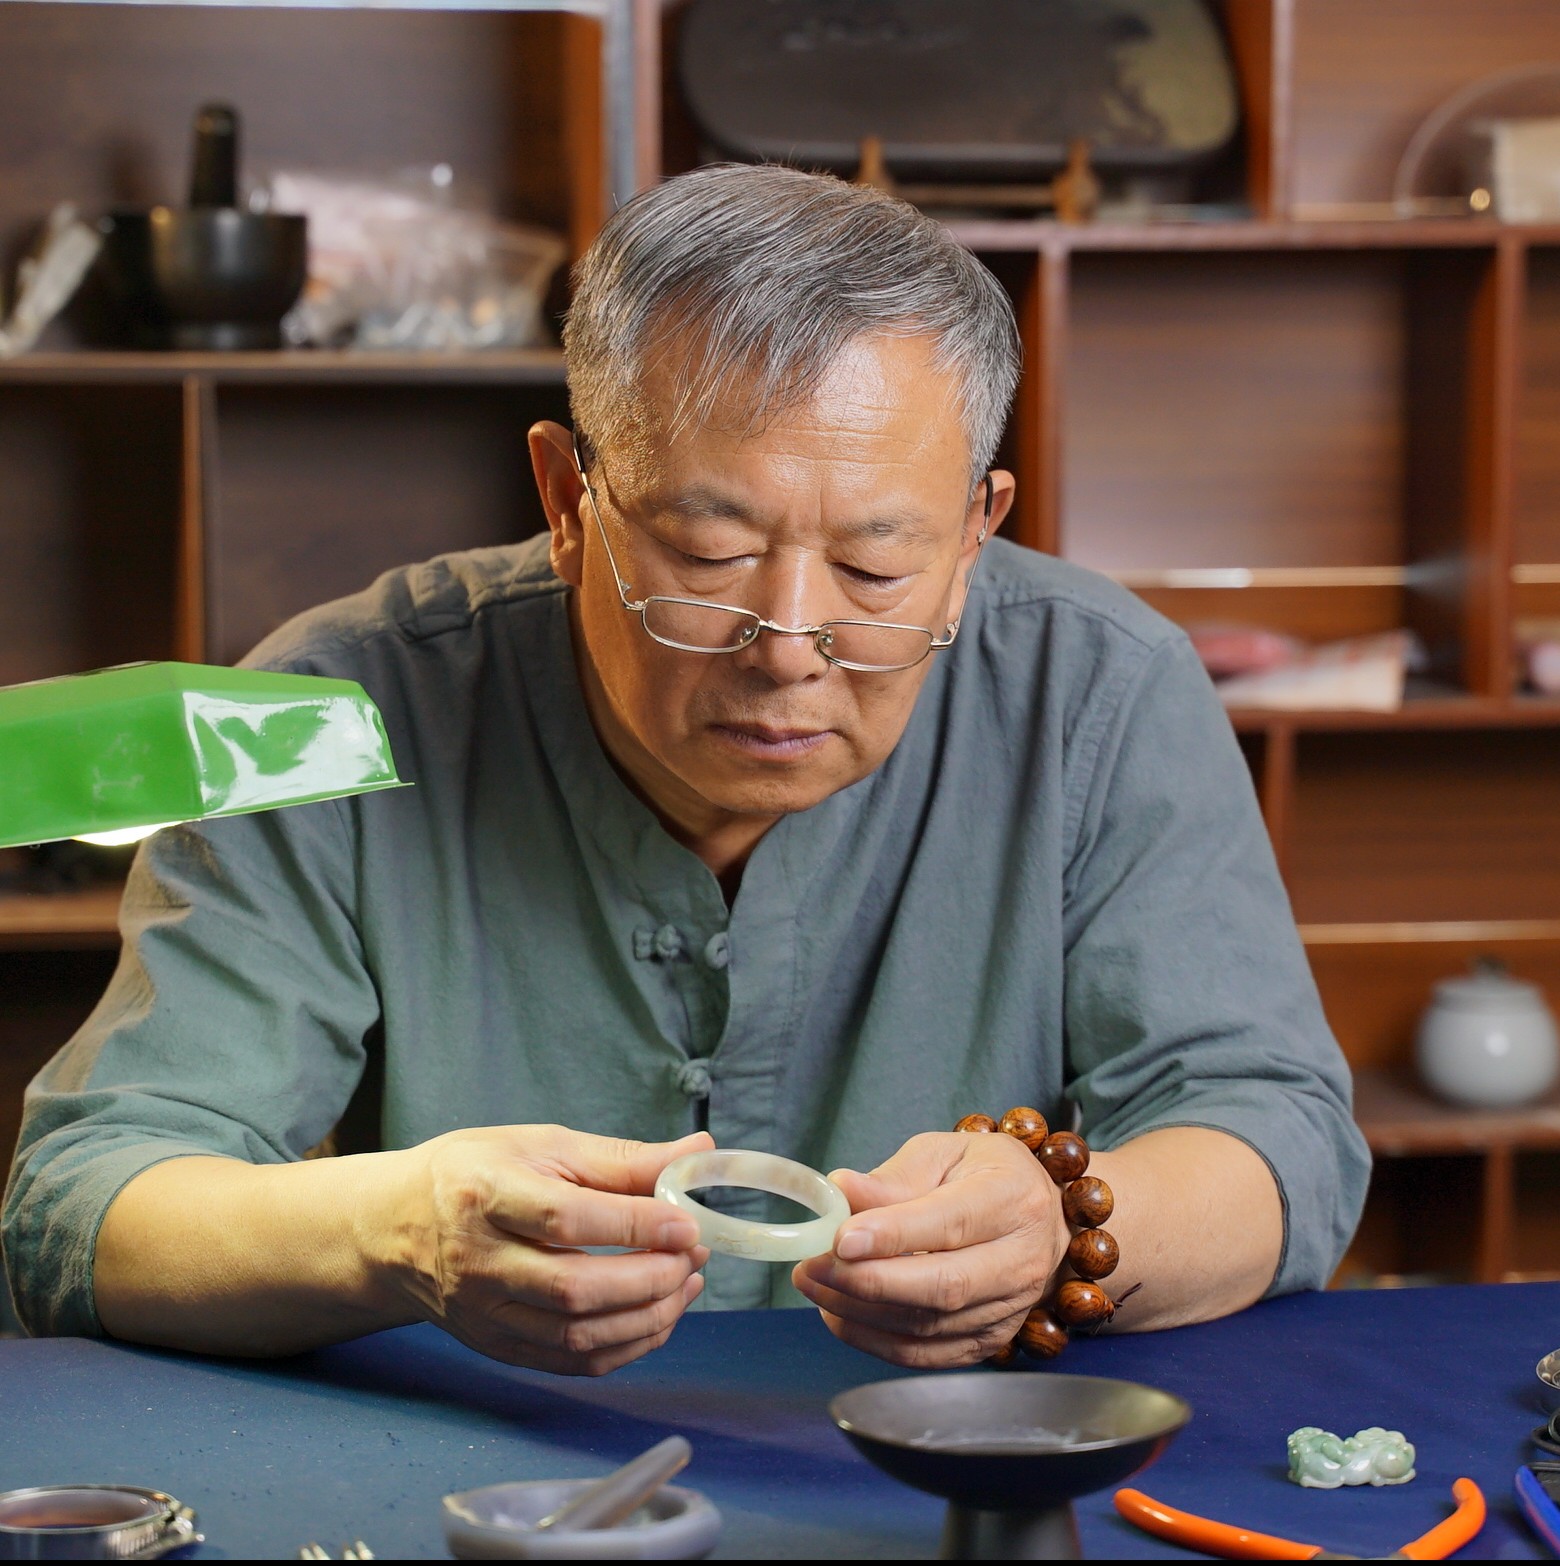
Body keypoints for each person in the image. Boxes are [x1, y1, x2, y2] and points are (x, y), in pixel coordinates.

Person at [2, 164, 1368, 1375]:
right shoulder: (330, 709)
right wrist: (401, 1231)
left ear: (972, 535)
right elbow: (82, 1208)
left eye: (876, 565)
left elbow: (1279, 1138)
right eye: (710, 554)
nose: (788, 646)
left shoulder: (1099, 690)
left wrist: (1059, 1227)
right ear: (567, 502)